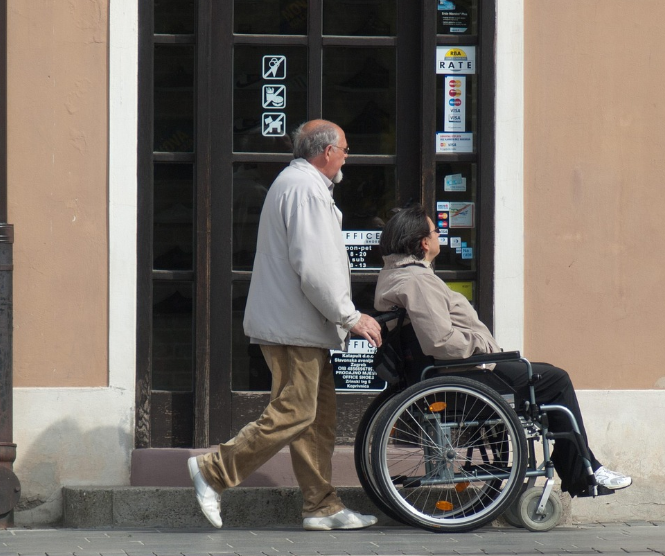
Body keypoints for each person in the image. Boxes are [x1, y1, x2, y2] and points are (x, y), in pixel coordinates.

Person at [188, 120, 383, 530]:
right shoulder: (305, 189)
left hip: (299, 324)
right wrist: (350, 316)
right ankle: (213, 470)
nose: (347, 157)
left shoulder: (300, 185)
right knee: (296, 411)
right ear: (327, 152)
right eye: (345, 150)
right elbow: (315, 267)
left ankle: (322, 506)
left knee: (316, 418)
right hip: (295, 325)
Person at [373, 204, 632, 497]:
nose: (438, 236)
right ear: (423, 243)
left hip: (451, 373)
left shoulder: (396, 276)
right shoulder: (418, 281)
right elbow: (440, 342)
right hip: (461, 374)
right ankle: (584, 469)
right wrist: (483, 346)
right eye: (435, 231)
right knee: (555, 380)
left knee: (545, 374)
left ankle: (580, 464)